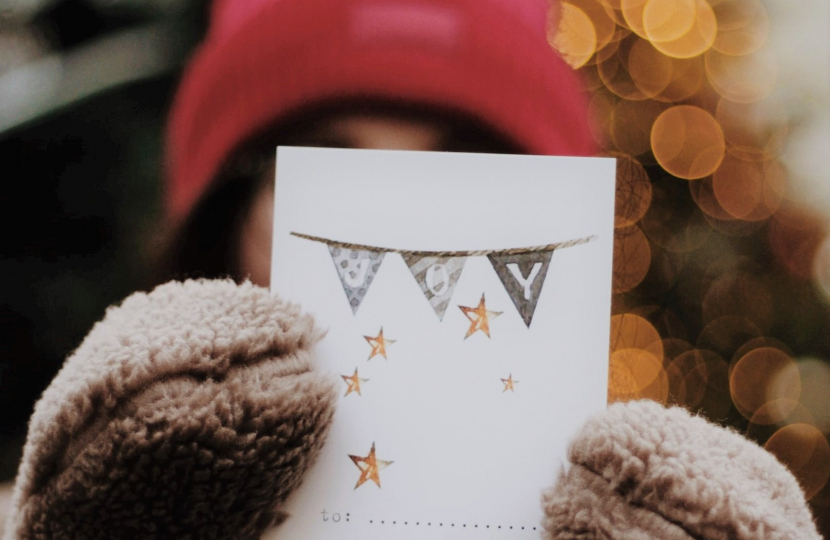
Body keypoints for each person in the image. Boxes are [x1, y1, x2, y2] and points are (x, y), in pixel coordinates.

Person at [1, 0, 822, 538]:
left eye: (460, 168)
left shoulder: (637, 513)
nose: (396, 230)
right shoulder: (70, 510)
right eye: (326, 164)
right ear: (227, 224)